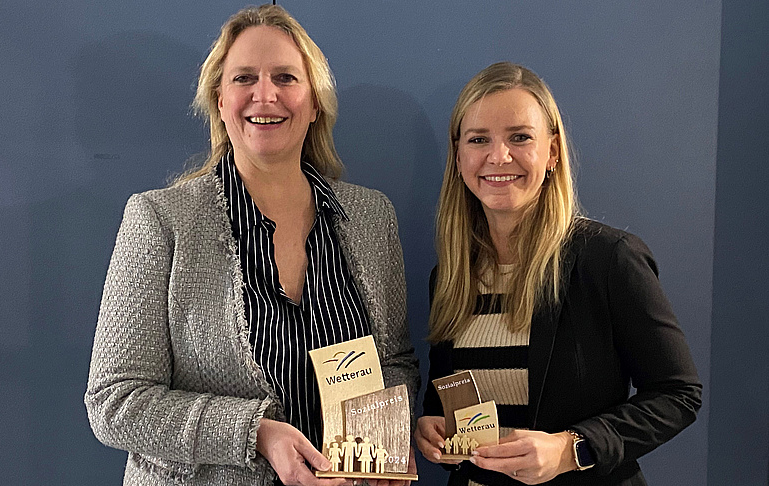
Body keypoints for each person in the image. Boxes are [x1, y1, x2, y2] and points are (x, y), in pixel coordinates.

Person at [84, 5, 419, 486]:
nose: (266, 95)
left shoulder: (370, 218)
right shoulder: (160, 220)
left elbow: (394, 363)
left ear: (315, 102)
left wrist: (388, 439)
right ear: (220, 100)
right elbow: (115, 401)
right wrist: (256, 432)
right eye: (245, 78)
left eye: (285, 77)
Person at [414, 62, 701, 486]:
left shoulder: (609, 259)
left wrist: (573, 448)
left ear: (552, 152)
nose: (498, 156)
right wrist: (431, 426)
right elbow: (447, 399)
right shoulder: (451, 277)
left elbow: (679, 395)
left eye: (520, 138)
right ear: (459, 157)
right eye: (479, 140)